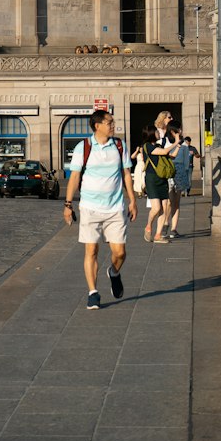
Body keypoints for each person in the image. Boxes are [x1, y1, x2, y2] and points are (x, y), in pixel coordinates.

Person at [63, 109, 137, 310]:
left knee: (120, 252)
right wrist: (68, 205)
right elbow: (75, 177)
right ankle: (93, 293)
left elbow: (126, 174)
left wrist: (133, 200)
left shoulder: (119, 146)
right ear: (98, 126)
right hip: (90, 207)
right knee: (91, 249)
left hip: (115, 207)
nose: (113, 125)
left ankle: (113, 272)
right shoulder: (83, 147)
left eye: (112, 122)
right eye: (109, 122)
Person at [142, 112, 180, 242]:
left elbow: (170, 156)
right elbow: (164, 152)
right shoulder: (147, 146)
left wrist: (178, 146)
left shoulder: (157, 145)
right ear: (152, 134)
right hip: (152, 178)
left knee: (164, 207)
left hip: (162, 178)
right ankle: (148, 226)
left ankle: (158, 235)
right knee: (156, 208)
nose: (159, 134)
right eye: (156, 132)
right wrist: (176, 142)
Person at [166, 131, 194, 236]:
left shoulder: (184, 146)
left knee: (176, 201)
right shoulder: (166, 143)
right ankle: (165, 223)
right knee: (168, 201)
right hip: (169, 172)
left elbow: (186, 163)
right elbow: (186, 163)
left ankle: (173, 228)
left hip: (179, 172)